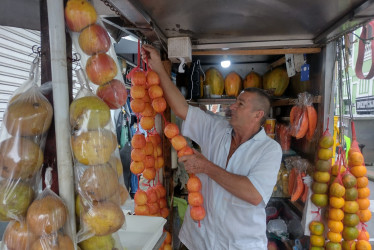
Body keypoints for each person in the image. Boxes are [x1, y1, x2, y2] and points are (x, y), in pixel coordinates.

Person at [141, 44, 282, 250]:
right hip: (197, 239)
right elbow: (181, 108)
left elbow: (254, 194)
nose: (232, 106)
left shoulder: (269, 150)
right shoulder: (216, 128)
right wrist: (158, 68)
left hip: (238, 245)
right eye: (235, 102)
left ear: (258, 115)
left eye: (240, 104)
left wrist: (205, 167)